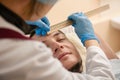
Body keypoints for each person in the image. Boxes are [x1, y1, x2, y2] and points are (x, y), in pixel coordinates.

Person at [0, 0, 115, 80]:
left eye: (60, 39)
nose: (57, 46)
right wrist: (90, 40)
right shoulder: (23, 59)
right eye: (44, 47)